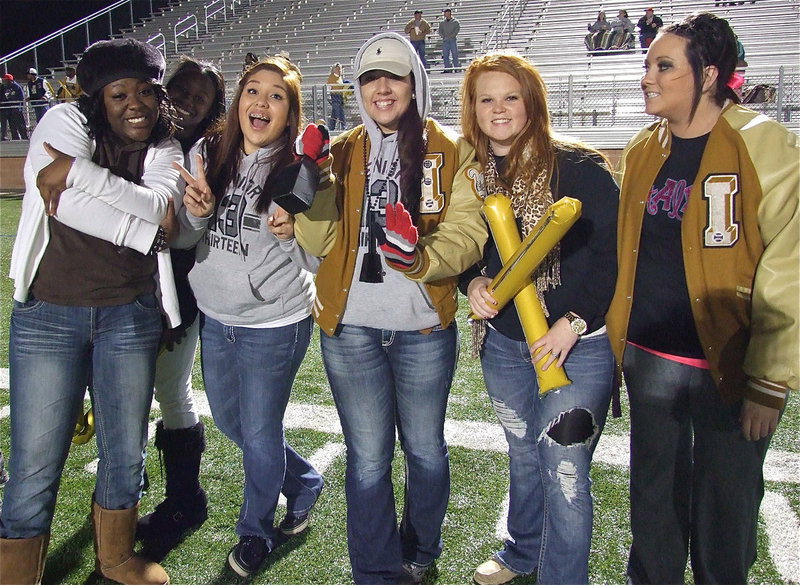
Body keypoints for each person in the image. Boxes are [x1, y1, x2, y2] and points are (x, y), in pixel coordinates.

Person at [0, 37, 203, 585]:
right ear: (98, 98)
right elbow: (64, 205)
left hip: (131, 314)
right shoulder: (64, 121)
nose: (134, 104)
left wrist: (79, 174)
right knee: (34, 464)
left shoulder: (166, 147)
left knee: (125, 451)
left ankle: (115, 559)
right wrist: (143, 233)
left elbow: (158, 205)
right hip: (48, 314)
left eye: (144, 91)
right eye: (119, 94)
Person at [606, 12, 799, 585]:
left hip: (731, 369)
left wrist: (769, 381)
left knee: (725, 514)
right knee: (653, 507)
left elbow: (786, 268)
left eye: (664, 66)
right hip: (650, 359)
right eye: (647, 65)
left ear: (709, 74)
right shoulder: (643, 149)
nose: (648, 77)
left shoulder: (765, 143)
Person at [294, 32, 487, 585]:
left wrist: (421, 256)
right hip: (350, 328)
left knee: (425, 451)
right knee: (370, 458)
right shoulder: (341, 150)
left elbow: (469, 233)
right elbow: (320, 242)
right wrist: (305, 186)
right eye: (371, 78)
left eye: (395, 76)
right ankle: (376, 572)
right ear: (356, 89)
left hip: (423, 327)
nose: (383, 88)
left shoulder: (451, 149)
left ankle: (421, 551)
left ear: (415, 82)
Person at [460, 51, 619, 585]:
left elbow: (614, 256)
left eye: (511, 97)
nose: (499, 109)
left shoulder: (579, 167)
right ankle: (522, 551)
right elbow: (470, 253)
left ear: (532, 103)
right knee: (523, 454)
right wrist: (474, 284)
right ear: (473, 109)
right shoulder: (473, 176)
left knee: (566, 472)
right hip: (505, 343)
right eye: (487, 99)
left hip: (578, 344)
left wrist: (571, 323)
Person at [177, 55, 325, 578]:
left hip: (273, 321)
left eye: (276, 96)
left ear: (290, 112)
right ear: (238, 100)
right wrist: (194, 213)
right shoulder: (205, 150)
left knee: (260, 433)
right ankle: (304, 480)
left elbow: (316, 258)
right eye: (252, 91)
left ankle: (255, 531)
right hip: (215, 315)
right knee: (232, 421)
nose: (261, 103)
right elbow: (184, 238)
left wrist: (292, 234)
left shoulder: (305, 171)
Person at [135, 56, 227, 557]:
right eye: (183, 91)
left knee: (171, 388)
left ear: (215, 106)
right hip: (124, 285)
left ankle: (186, 498)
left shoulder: (211, 150)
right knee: (122, 389)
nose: (190, 102)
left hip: (180, 289)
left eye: (202, 96)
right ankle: (128, 487)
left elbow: (191, 234)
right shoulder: (142, 134)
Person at [1, 73, 28, 140]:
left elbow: (21, 98)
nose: (4, 81)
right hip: (9, 109)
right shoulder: (4, 87)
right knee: (12, 125)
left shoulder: (16, 86)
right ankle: (15, 138)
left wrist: (19, 107)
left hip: (16, 109)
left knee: (20, 124)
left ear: (9, 80)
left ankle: (24, 137)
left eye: (5, 80)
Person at [326, 62, 348, 130]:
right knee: (340, 112)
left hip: (340, 96)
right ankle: (344, 127)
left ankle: (331, 128)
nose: (339, 70)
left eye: (339, 69)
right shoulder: (332, 77)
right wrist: (329, 96)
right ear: (334, 69)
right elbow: (328, 87)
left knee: (334, 114)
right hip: (335, 96)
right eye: (337, 69)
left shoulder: (340, 77)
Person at [439, 8, 461, 73]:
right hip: (445, 41)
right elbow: (440, 31)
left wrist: (450, 36)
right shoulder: (442, 23)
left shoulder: (455, 22)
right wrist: (443, 37)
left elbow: (456, 31)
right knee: (445, 55)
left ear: (449, 13)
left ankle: (457, 68)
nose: (444, 14)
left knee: (454, 54)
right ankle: (447, 68)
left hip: (452, 40)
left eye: (445, 13)